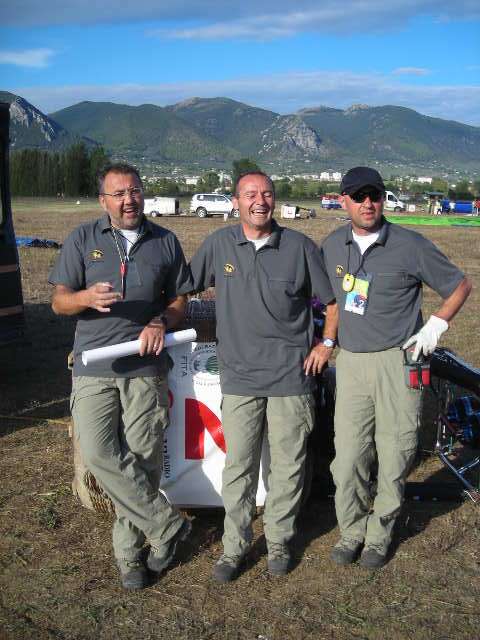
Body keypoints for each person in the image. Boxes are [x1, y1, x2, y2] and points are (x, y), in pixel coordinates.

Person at [181, 171, 337, 582]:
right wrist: (161, 318)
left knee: (288, 466)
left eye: (266, 194)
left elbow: (334, 303)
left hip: (291, 377)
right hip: (240, 378)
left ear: (275, 200)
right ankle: (234, 547)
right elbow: (183, 286)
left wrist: (327, 344)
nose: (259, 201)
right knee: (240, 467)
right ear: (236, 202)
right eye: (250, 194)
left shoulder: (301, 247)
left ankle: (280, 542)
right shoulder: (218, 245)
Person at [319, 166, 471, 569]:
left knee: (396, 449)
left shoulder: (409, 244)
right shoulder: (332, 245)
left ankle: (379, 534)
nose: (368, 203)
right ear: (344, 200)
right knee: (348, 456)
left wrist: (436, 326)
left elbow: (460, 285)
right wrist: (327, 341)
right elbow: (327, 301)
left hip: (398, 362)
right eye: (359, 196)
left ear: (383, 199)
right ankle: (351, 530)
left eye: (375, 195)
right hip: (350, 362)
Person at [49, 163, 192, 590]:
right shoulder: (83, 239)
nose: (128, 200)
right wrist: (83, 297)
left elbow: (181, 302)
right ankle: (166, 525)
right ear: (103, 201)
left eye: (134, 191)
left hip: (145, 367)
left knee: (144, 460)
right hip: (94, 365)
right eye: (118, 194)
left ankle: (131, 557)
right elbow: (58, 303)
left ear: (143, 194)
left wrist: (160, 323)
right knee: (96, 451)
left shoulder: (165, 241)